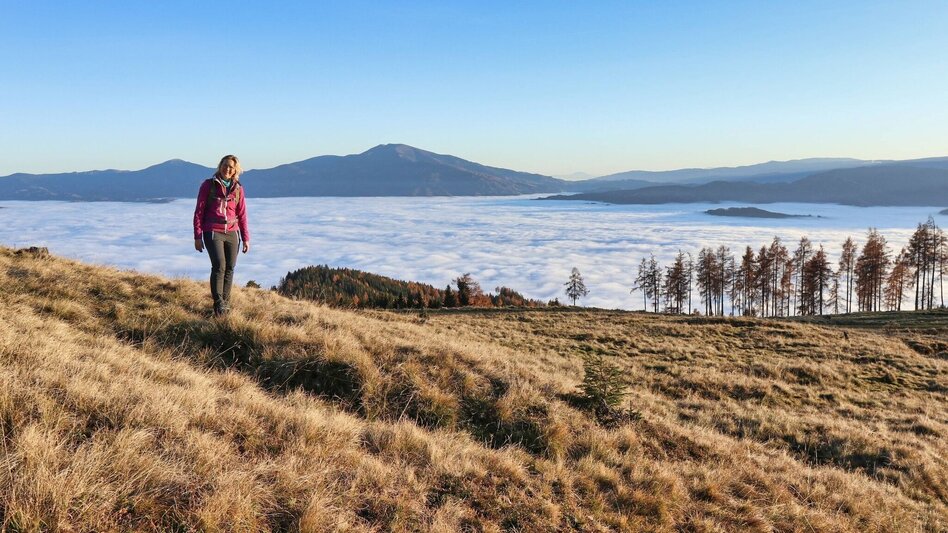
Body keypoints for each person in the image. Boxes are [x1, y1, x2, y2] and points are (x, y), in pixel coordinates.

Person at [193, 154, 250, 316]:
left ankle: (226, 303)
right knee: (219, 266)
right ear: (220, 166)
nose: (227, 169)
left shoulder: (238, 189)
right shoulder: (208, 185)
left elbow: (243, 214)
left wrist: (246, 238)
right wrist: (197, 236)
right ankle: (219, 304)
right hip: (212, 230)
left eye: (231, 167)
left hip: (232, 232)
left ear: (235, 170)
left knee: (230, 268)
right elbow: (199, 212)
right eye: (225, 165)